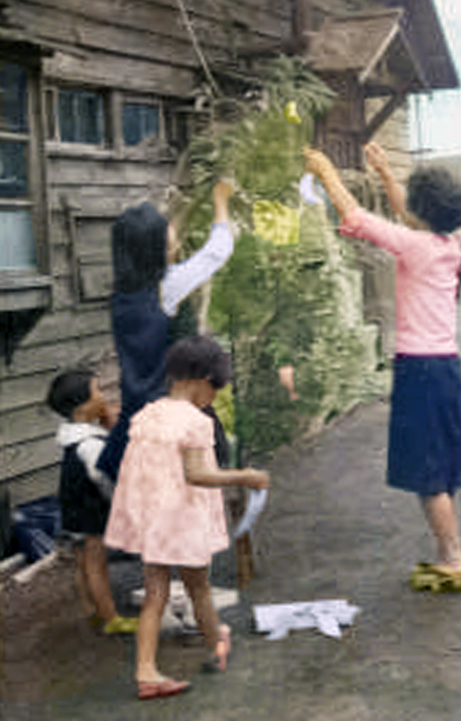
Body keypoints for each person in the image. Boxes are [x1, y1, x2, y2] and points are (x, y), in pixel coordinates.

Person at [304, 143, 461, 592]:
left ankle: (454, 557)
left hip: (421, 371)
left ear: (423, 212)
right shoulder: (447, 245)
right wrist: (384, 173)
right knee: (441, 467)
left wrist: (326, 172)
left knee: (428, 472)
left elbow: (358, 218)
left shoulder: (417, 246)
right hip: (448, 370)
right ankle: (448, 551)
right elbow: (408, 218)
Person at [104, 335, 269, 700]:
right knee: (198, 587)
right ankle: (215, 643)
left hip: (154, 521)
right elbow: (198, 475)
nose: (215, 396)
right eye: (215, 387)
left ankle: (149, 670)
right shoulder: (196, 422)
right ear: (201, 379)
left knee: (155, 594)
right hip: (183, 520)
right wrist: (246, 475)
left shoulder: (147, 415)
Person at [97, 182, 234, 482]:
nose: (174, 239)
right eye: (167, 236)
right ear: (156, 250)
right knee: (210, 470)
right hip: (172, 411)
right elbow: (217, 251)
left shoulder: (123, 294)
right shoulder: (168, 287)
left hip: (135, 414)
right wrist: (220, 201)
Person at [46, 369, 139, 634]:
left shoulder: (73, 436)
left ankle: (92, 611)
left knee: (83, 565)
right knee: (96, 566)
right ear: (84, 405)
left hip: (71, 511)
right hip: (90, 515)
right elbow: (105, 478)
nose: (104, 396)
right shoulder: (91, 444)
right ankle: (111, 618)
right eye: (98, 390)